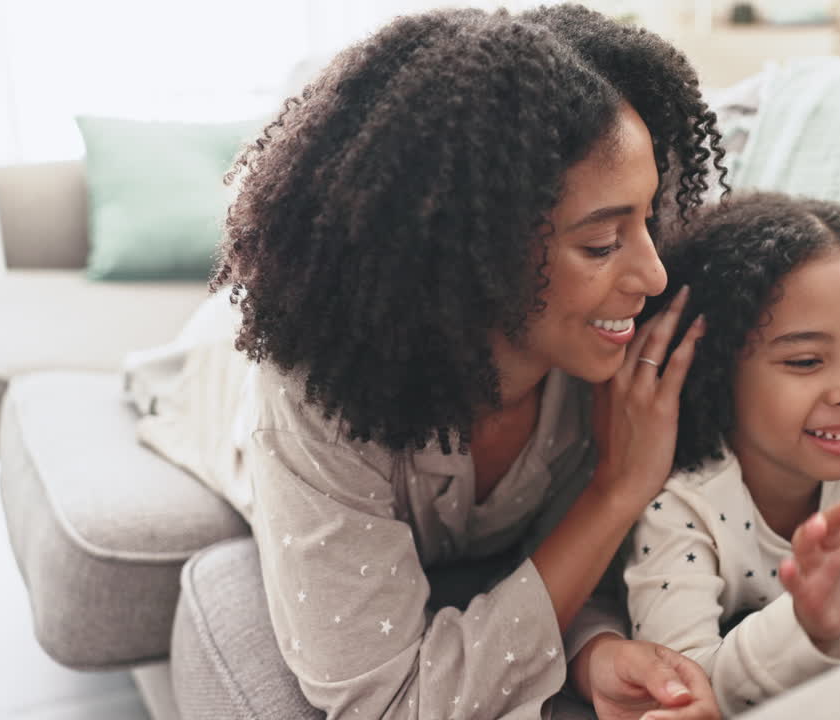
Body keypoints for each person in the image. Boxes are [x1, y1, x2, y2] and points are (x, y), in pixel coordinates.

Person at [136, 5, 732, 719]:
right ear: (471, 258)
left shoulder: (608, 359)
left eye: (648, 219)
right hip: (215, 373)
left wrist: (592, 649)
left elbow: (570, 570)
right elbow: (388, 703)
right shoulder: (315, 394)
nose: (654, 275)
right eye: (602, 244)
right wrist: (614, 492)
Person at [623, 192, 840, 714]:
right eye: (806, 361)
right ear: (716, 370)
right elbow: (686, 682)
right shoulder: (679, 501)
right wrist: (807, 623)